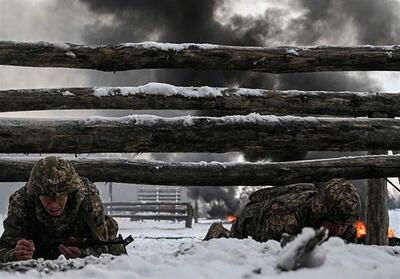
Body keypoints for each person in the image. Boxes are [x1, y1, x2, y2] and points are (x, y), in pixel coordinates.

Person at [0, 156, 126, 263]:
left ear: (70, 193)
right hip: (38, 253)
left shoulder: (88, 200)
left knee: (116, 253)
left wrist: (83, 254)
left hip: (82, 250)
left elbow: (103, 246)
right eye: (47, 196)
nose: (54, 204)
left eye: (60, 196)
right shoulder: (21, 201)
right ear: (36, 194)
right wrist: (16, 254)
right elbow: (4, 249)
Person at [204, 178, 360, 242]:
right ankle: (220, 233)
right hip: (251, 224)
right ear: (321, 213)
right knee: (233, 243)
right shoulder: (286, 219)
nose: (340, 229)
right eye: (335, 223)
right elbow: (270, 255)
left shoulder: (342, 220)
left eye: (344, 224)